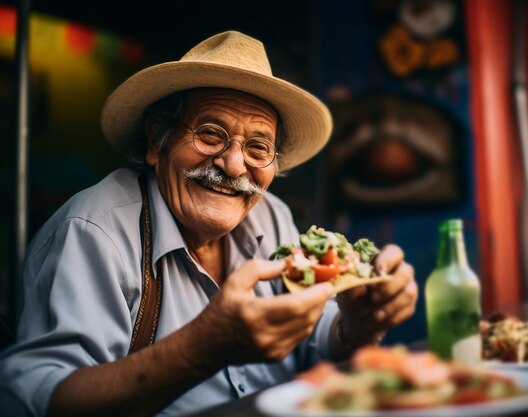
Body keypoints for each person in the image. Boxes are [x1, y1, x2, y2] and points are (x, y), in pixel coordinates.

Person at [0, 31, 418, 417]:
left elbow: (315, 334)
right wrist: (202, 348)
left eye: (258, 148)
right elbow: (40, 399)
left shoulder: (272, 215)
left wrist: (354, 326)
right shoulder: (96, 231)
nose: (234, 165)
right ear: (155, 141)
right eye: (211, 134)